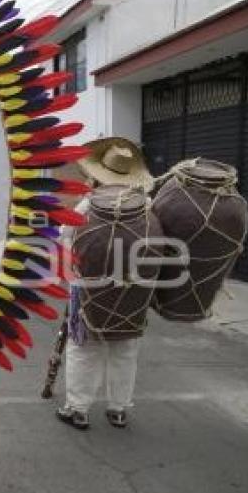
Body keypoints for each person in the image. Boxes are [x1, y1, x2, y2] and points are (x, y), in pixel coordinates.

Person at [56, 137, 155, 430]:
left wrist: (72, 274)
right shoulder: (146, 205)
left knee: (83, 347)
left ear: (99, 172)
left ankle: (78, 409)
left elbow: (64, 236)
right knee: (125, 349)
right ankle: (118, 409)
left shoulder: (89, 204)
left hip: (88, 287)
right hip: (133, 290)